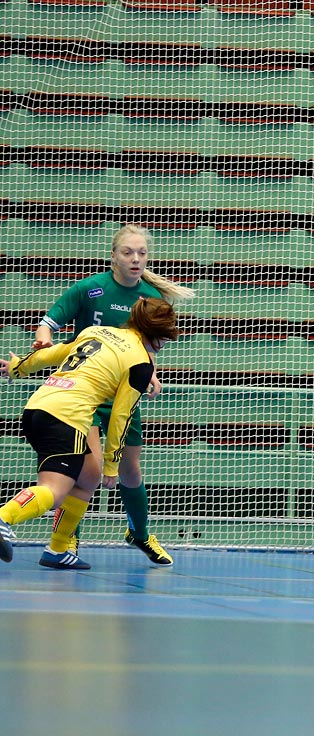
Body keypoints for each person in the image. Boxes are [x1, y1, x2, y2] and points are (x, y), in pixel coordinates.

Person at [33, 224, 194, 566]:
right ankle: (65, 541)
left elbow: (149, 346)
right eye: (128, 252)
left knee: (130, 472)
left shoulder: (151, 296)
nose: (136, 259)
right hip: (86, 395)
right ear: (113, 256)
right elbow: (50, 321)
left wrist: (149, 370)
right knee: (86, 470)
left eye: (142, 253)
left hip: (124, 393)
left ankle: (139, 533)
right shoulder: (90, 289)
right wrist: (45, 338)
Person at [0, 298, 182, 568]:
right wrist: (112, 465)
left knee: (88, 477)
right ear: (156, 334)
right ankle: (4, 517)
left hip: (38, 407)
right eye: (166, 337)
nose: (166, 343)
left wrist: (18, 368)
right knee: (55, 490)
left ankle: (58, 550)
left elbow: (53, 353)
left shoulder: (97, 331)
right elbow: (121, 417)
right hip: (67, 418)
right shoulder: (141, 364)